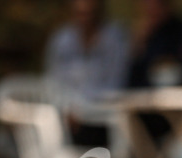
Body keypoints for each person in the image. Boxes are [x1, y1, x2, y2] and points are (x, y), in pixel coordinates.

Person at [45, 0, 130, 147]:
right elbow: (54, 82)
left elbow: (116, 84)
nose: (85, 19)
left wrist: (83, 110)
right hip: (66, 116)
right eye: (80, 14)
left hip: (104, 117)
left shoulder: (114, 39)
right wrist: (67, 108)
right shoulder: (61, 40)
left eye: (90, 14)